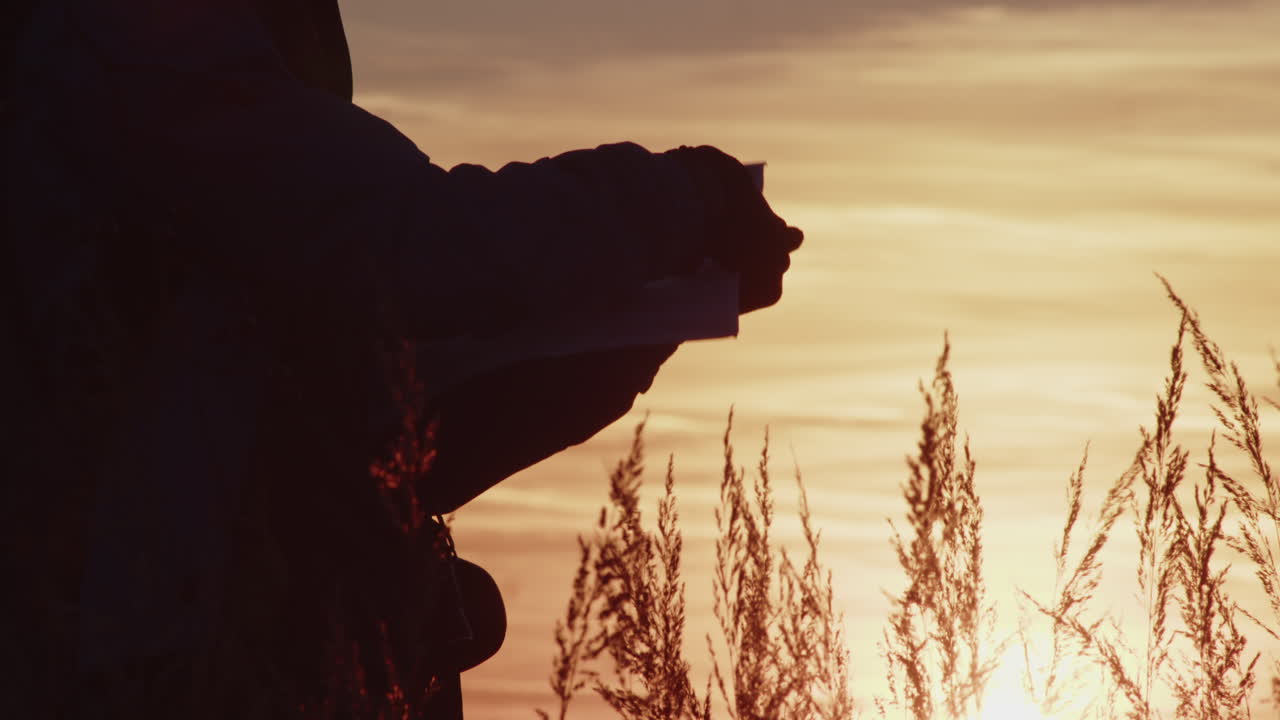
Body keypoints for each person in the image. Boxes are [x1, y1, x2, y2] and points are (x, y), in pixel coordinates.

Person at [3, 0, 802, 717]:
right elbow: (402, 248)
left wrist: (647, 314)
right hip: (131, 648)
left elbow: (355, 328)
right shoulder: (131, 32)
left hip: (166, 627)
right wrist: (689, 202)